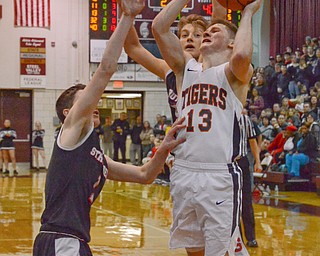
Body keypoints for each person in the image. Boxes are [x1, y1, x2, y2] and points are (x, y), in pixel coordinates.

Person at [32, 1, 186, 255]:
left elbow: (145, 175)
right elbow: (105, 70)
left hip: (70, 242)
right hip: (62, 240)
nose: (94, 104)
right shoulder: (70, 132)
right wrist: (127, 16)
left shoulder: (96, 157)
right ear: (68, 113)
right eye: (85, 99)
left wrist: (165, 146)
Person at [152, 0, 263, 255]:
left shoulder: (235, 74)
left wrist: (248, 11)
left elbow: (243, 55)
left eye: (216, 31)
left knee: (221, 251)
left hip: (219, 175)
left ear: (232, 43)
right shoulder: (184, 68)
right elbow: (159, 27)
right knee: (194, 250)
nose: (208, 32)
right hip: (183, 172)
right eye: (208, 31)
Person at [237, 112, 262, 248]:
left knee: (246, 202)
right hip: (226, 165)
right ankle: (237, 238)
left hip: (243, 162)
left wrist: (257, 161)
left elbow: (253, 141)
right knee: (231, 204)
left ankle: (251, 238)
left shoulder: (245, 120)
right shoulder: (221, 117)